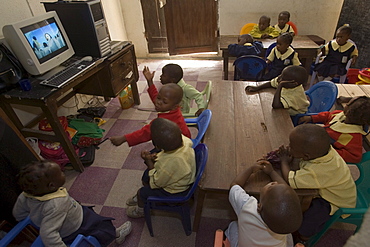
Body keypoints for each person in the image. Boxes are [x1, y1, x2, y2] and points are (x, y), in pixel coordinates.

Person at [12, 160, 132, 246]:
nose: (63, 173)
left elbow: (18, 214)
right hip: (76, 226)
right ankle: (116, 234)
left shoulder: (25, 195)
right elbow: (48, 234)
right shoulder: (57, 204)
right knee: (102, 227)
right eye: (61, 173)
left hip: (70, 216)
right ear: (52, 185)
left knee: (89, 213)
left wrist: (38, 220)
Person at [277, 124, 356, 245]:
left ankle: (303, 238)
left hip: (336, 202)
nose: (289, 147)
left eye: (291, 147)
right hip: (341, 190)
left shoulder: (318, 171)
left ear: (307, 156)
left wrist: (283, 161)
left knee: (310, 219)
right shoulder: (326, 151)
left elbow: (289, 180)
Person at [125, 118, 196, 218]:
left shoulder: (169, 164)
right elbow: (166, 156)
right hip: (182, 176)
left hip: (175, 191)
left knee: (141, 192)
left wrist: (149, 161)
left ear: (158, 146)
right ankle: (145, 194)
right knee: (146, 176)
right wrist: (156, 156)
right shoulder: (185, 140)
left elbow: (157, 182)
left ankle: (140, 211)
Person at [225, 161, 302, 247]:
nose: (275, 182)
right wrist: (272, 172)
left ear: (259, 206)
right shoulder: (285, 223)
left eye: (271, 187)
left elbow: (235, 185)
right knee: (288, 237)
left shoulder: (247, 207)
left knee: (234, 225)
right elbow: (285, 191)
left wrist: (250, 169)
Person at [109, 71, 191, 147]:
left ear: (174, 106)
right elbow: (155, 97)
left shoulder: (165, 121)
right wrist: (150, 81)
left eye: (164, 102)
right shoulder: (172, 109)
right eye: (159, 98)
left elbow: (145, 132)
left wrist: (124, 138)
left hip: (179, 147)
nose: (158, 102)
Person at [298, 96, 370, 163]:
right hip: (318, 140)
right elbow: (327, 116)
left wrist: (329, 151)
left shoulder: (353, 137)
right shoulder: (339, 114)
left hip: (322, 156)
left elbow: (355, 157)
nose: (345, 105)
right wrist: (312, 118)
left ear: (348, 111)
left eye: (347, 104)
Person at [245, 65, 309, 116]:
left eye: (282, 78)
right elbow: (271, 83)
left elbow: (276, 105)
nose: (279, 78)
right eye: (281, 75)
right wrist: (257, 88)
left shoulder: (295, 95)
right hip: (285, 109)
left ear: (294, 84)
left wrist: (280, 86)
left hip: (296, 116)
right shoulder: (287, 82)